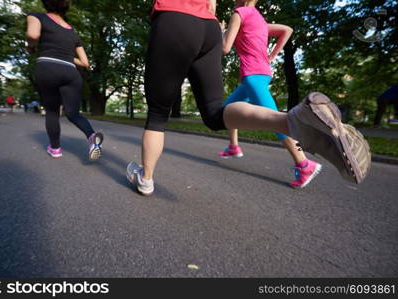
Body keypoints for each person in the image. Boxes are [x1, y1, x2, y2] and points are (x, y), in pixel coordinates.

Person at [126, 0, 371, 196]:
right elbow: (211, 6)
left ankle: (145, 179)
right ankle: (294, 120)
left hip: (174, 18)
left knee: (158, 113)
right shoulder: (255, 16)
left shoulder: (240, 13)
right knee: (214, 113)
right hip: (209, 28)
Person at [217, 0, 321, 188]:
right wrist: (271, 56)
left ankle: (304, 164)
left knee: (277, 121)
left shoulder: (239, 13)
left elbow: (224, 48)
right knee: (227, 110)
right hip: (261, 73)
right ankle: (233, 147)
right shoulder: (258, 18)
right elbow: (287, 30)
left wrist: (219, 31)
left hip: (252, 76)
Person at [26, 0, 103, 160]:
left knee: (52, 111)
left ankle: (55, 149)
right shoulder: (72, 31)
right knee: (73, 113)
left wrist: (31, 47)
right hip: (70, 73)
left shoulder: (36, 16)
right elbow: (85, 63)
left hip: (48, 68)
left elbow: (33, 35)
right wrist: (67, 57)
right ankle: (91, 136)